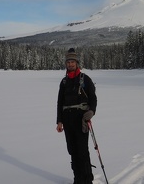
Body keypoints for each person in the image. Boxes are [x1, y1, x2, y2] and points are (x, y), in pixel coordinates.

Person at [56, 48, 97, 184]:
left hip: (81, 120)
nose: (70, 64)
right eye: (68, 62)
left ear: (77, 63)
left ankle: (87, 180)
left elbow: (93, 99)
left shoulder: (85, 79)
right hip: (67, 121)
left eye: (73, 62)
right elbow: (60, 102)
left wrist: (91, 112)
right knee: (72, 151)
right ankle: (78, 179)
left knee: (82, 151)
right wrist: (59, 121)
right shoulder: (64, 82)